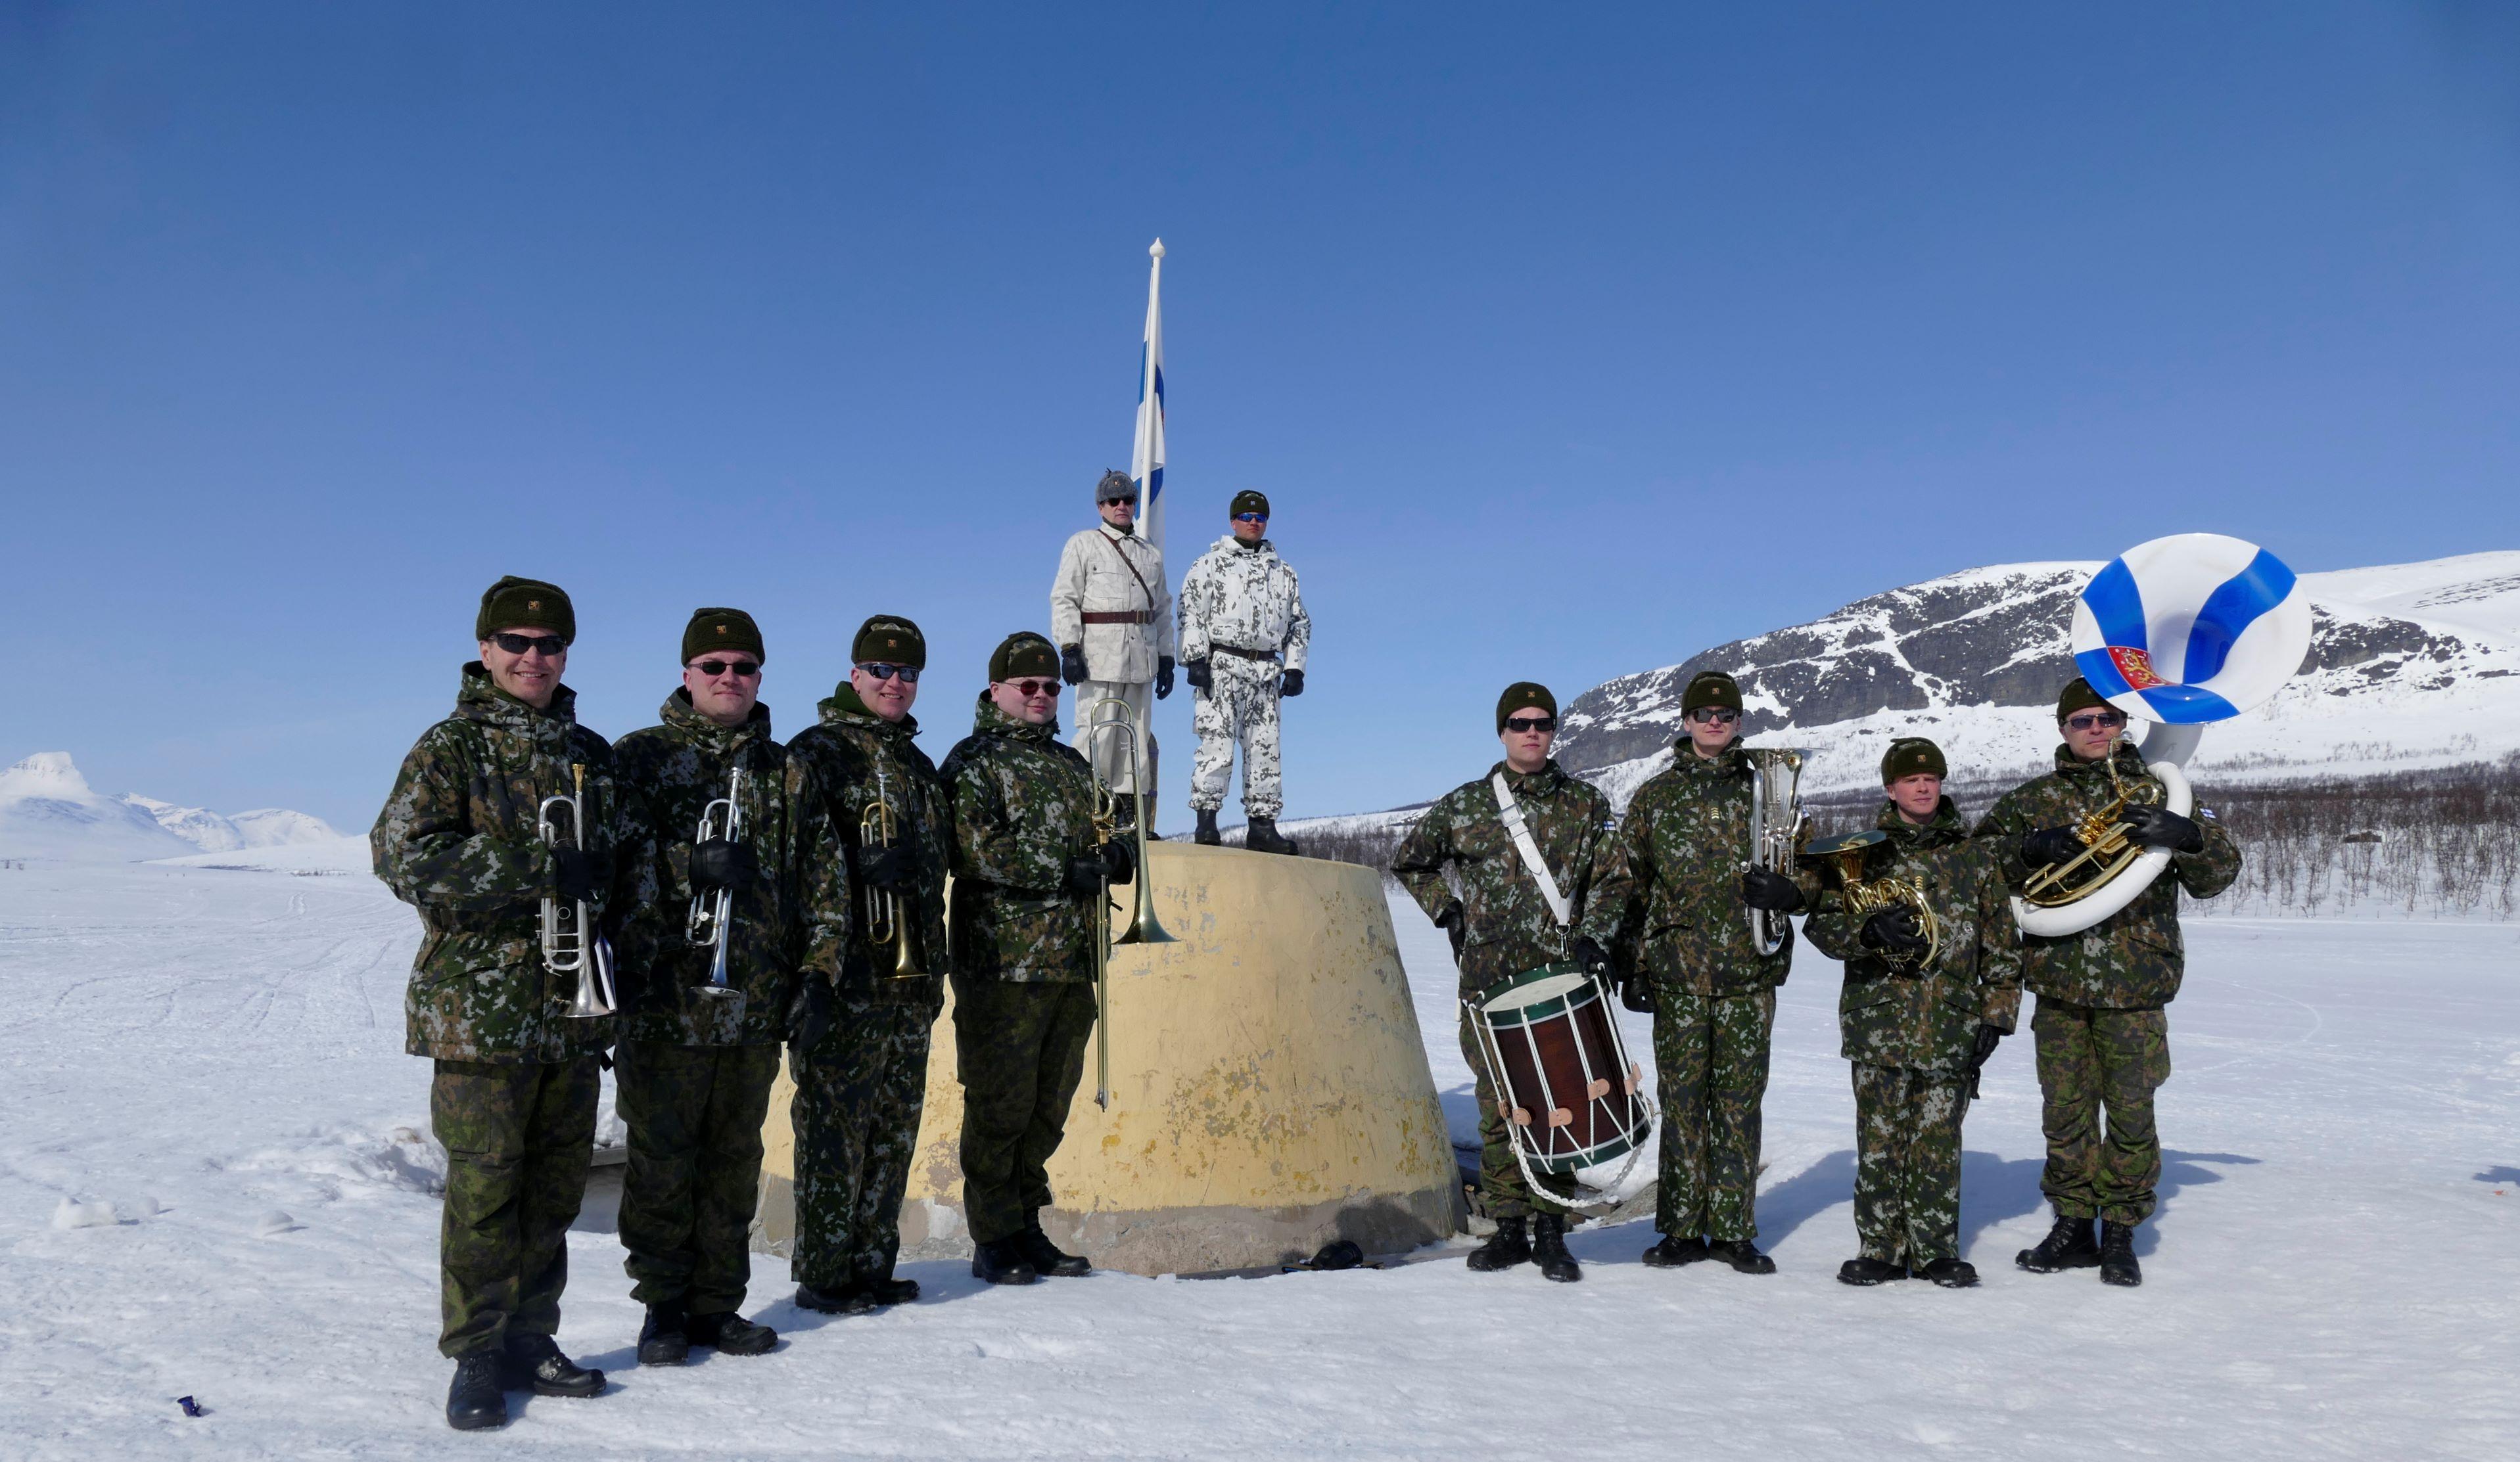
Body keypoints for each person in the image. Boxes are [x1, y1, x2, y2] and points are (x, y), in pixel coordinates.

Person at [372, 576, 652, 1430]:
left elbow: (627, 871)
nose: (534, 658)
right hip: (481, 1015)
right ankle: (476, 1355)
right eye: (516, 643)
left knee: (552, 1192)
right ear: (486, 648)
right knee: (486, 1192)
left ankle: (533, 1336)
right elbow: (401, 857)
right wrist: (532, 871)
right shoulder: (450, 747)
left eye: (549, 644)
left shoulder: (592, 756)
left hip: (571, 1012)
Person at [609, 608, 847, 1365]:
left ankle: (718, 1302)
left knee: (733, 1157)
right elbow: (607, 871)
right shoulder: (638, 759)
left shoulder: (788, 770)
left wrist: (818, 972)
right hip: (663, 999)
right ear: (685, 673)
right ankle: (662, 1309)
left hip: (752, 999)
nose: (728, 679)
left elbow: (825, 878)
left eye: (743, 667)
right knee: (661, 1159)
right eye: (713, 665)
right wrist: (688, 868)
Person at [1974, 678, 2239, 1287]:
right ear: (2063, 729)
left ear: (2123, 723)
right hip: (2061, 981)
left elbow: (2219, 873)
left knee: (2130, 1109)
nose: (2096, 729)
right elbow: (1974, 866)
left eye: (2107, 718)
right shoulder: (2031, 800)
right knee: (2064, 1110)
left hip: (2136, 981)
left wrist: (2188, 837)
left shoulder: (2160, 788)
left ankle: (2121, 1229)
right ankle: (2072, 1225)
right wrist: (2027, 848)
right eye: (2082, 720)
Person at [1392, 683, 1622, 1283]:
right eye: (1520, 723)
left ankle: (1552, 1228)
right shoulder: (1468, 805)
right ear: (1502, 731)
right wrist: (1448, 910)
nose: (1532, 732)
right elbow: (1411, 857)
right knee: (1500, 1104)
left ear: (1554, 731)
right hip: (1488, 982)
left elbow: (1615, 877)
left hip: (1559, 975)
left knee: (1559, 1102)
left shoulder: (1585, 805)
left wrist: (1596, 932)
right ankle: (1509, 1228)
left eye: (1543, 723)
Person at [1587, 670, 1803, 1275]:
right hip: (1678, 975)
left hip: (1748, 973)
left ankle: (1733, 1230)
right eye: (1703, 712)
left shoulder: (1770, 793)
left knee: (1739, 1104)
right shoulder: (1656, 798)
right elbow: (1631, 887)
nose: (1714, 721)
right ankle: (1682, 1228)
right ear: (1684, 721)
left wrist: (1790, 889)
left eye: (1725, 714)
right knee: (1682, 1104)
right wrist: (1631, 967)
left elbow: (1807, 873)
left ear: (1738, 723)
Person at [942, 633, 1134, 1284]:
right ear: (997, 689)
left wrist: (1118, 854)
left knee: (1049, 1105)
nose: (1043, 695)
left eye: (1052, 686)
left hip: (1072, 960)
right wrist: (1064, 867)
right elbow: (972, 848)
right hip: (1004, 966)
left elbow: (1105, 827)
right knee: (1000, 1104)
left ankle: (1027, 1223)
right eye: (1028, 685)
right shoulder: (973, 760)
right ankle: (994, 1235)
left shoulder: (1072, 763)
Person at [1798, 737, 2020, 1288]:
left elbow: (2003, 944)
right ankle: (1880, 1247)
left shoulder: (1974, 856)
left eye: (1932, 777)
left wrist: (1996, 1014)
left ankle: (1937, 1249)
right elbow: (1820, 924)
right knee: (1879, 1139)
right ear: (1890, 788)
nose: (1923, 786)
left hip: (1952, 1016)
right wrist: (1866, 931)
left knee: (1939, 1139)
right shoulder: (1863, 851)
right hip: (1880, 1019)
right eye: (1911, 778)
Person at [782, 615, 954, 1314]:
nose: (894, 683)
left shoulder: (916, 764)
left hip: (909, 977)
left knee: (893, 1123)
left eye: (908, 673)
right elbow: (792, 862)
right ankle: (825, 1272)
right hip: (846, 975)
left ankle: (872, 1262)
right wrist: (862, 868)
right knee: (833, 1125)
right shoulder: (815, 752)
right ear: (854, 674)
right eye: (880, 671)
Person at [1176, 490, 1311, 853]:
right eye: (1247, 516)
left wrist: (1295, 668)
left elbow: (1299, 623)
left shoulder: (1283, 573)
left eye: (1260, 517)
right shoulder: (1210, 565)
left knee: (1266, 751)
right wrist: (1196, 659)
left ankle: (1262, 827)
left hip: (1266, 672)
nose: (1254, 522)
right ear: (1233, 520)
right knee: (1215, 747)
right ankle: (1206, 823)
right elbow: (1190, 612)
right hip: (1222, 667)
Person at [1050, 468, 1175, 829]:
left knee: (1135, 735)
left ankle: (1128, 815)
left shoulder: (1150, 553)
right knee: (1098, 732)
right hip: (1100, 655)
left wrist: (1167, 657)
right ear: (1100, 506)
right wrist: (1070, 646)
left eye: (1128, 500)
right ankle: (1086, 808)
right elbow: (1064, 598)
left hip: (1142, 655)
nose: (1122, 506)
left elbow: (1163, 608)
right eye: (1113, 501)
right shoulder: (1083, 544)